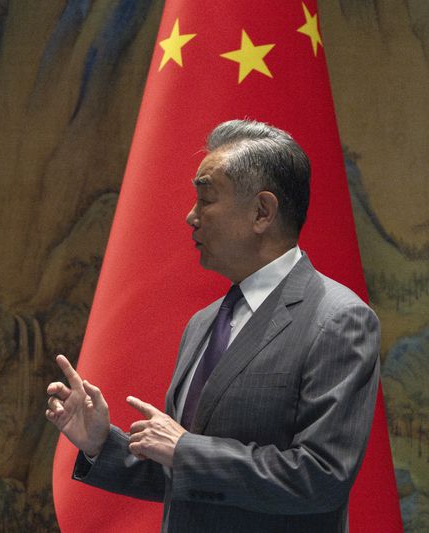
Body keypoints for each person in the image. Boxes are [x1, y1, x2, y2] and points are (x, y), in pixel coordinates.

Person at [46, 119, 380, 532]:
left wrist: (186, 450)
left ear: (262, 212)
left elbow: (321, 476)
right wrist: (102, 443)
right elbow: (187, 473)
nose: (191, 217)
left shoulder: (338, 319)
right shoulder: (203, 323)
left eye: (205, 199)